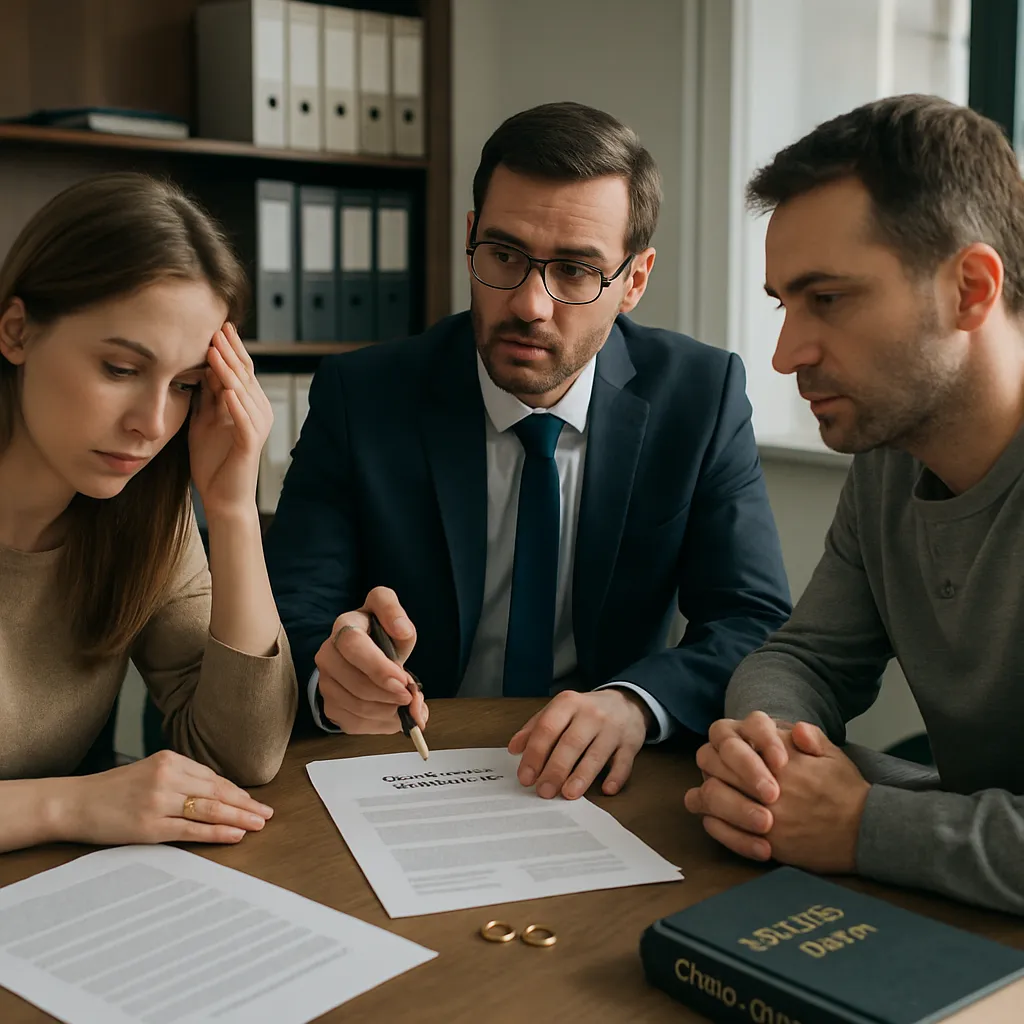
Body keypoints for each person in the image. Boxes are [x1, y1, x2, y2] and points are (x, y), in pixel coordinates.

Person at [266, 101, 790, 801]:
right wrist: (331, 674)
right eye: (504, 255)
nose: (530, 305)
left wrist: (635, 702)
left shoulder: (699, 397)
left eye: (575, 271)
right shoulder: (363, 394)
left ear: (634, 280)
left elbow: (752, 619)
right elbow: (293, 604)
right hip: (402, 765)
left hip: (600, 777)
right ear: (470, 237)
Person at [684, 93, 1024, 914]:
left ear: (970, 290)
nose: (784, 352)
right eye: (782, 303)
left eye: (826, 299)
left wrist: (862, 823)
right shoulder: (889, 459)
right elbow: (801, 659)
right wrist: (772, 756)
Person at [0, 173, 297, 854]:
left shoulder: (142, 522)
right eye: (120, 369)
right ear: (17, 331)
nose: (152, 423)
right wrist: (64, 805)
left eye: (187, 386)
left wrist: (232, 511)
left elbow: (242, 757)